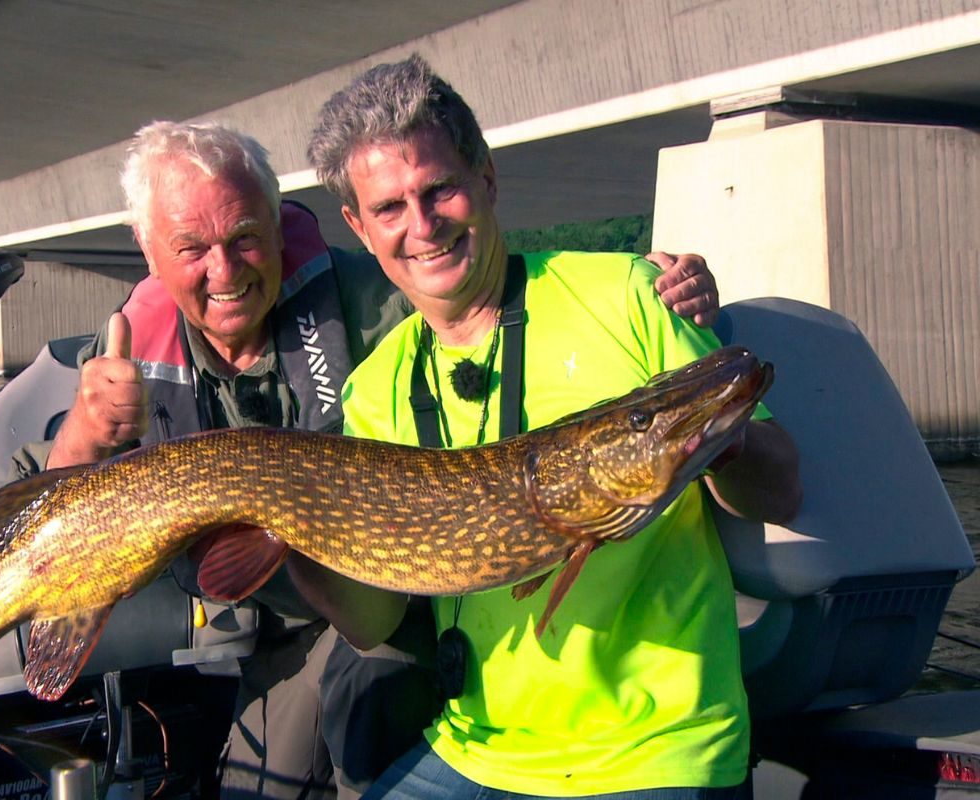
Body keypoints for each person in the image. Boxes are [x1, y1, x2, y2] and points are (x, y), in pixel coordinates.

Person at [18, 120, 726, 798]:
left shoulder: (376, 304)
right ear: (150, 253)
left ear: (276, 221)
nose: (224, 269)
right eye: (192, 250)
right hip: (272, 621)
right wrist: (83, 430)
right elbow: (47, 529)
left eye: (244, 238)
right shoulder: (123, 346)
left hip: (393, 590)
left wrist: (671, 288)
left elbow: (481, 282)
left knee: (364, 712)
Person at [291, 54, 802, 799]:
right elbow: (375, 618)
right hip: (473, 750)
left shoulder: (630, 295)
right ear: (360, 228)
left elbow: (782, 491)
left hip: (654, 751)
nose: (423, 225)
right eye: (391, 208)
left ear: (486, 179)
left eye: (440, 190)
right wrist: (290, 536)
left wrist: (725, 440)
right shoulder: (376, 390)